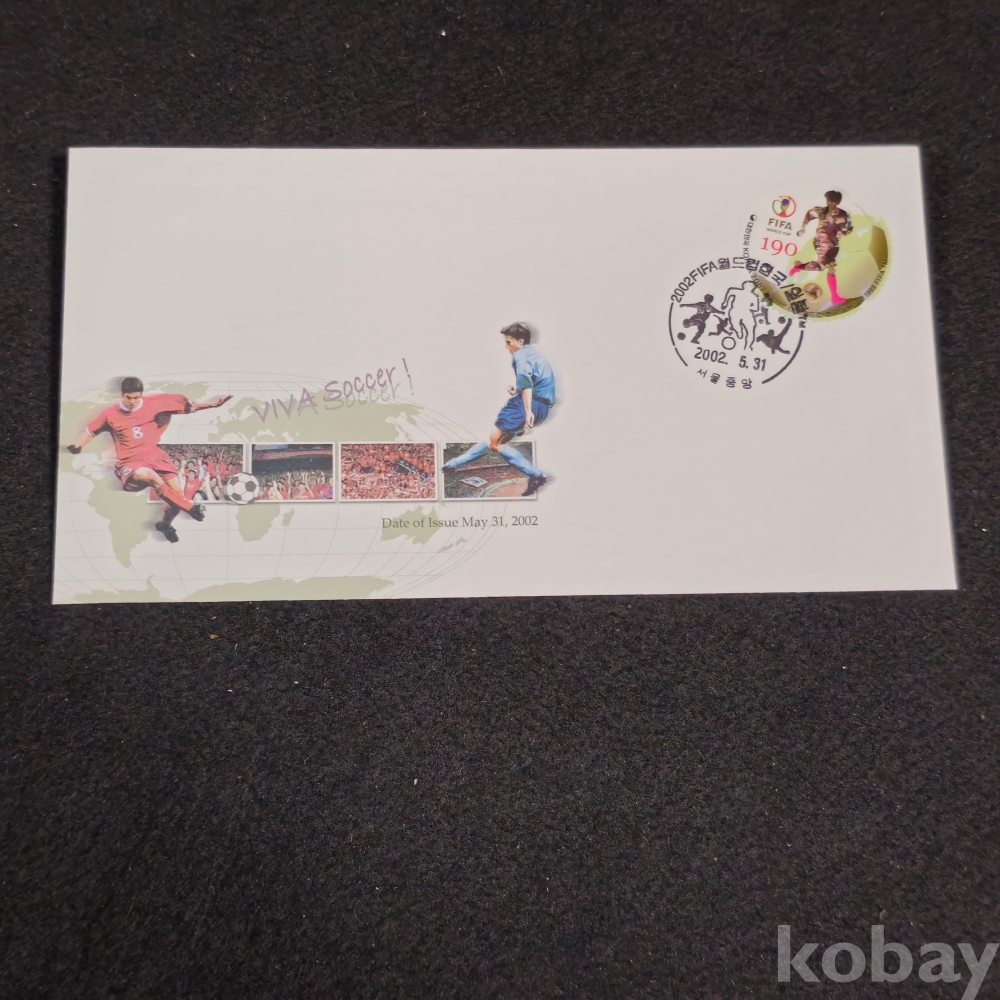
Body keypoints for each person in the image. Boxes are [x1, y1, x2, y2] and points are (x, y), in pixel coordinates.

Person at [66, 377, 232, 543]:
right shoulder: (110, 414)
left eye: (136, 397)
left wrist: (212, 405)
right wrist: (77, 446)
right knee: (152, 477)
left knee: (176, 497)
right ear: (122, 395)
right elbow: (89, 432)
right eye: (128, 398)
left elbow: (189, 407)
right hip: (130, 461)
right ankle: (191, 508)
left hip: (155, 456)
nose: (132, 402)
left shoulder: (155, 403)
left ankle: (164, 524)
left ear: (141, 395)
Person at [443, 322, 554, 496]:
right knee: (493, 441)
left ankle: (537, 475)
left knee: (495, 443)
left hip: (527, 405)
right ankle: (451, 465)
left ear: (520, 341)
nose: (506, 345)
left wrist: (527, 410)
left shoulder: (520, 355)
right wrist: (517, 390)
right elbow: (537, 382)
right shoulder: (536, 355)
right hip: (543, 407)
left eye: (509, 342)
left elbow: (526, 381)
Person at [791, 190, 853, 306]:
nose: (830, 204)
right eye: (829, 201)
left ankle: (799, 267)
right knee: (827, 267)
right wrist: (803, 227)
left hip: (828, 242)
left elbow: (848, 229)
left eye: (832, 202)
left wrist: (842, 231)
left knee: (823, 265)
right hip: (825, 243)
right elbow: (809, 214)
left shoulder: (842, 214)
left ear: (837, 202)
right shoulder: (822, 211)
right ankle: (834, 296)